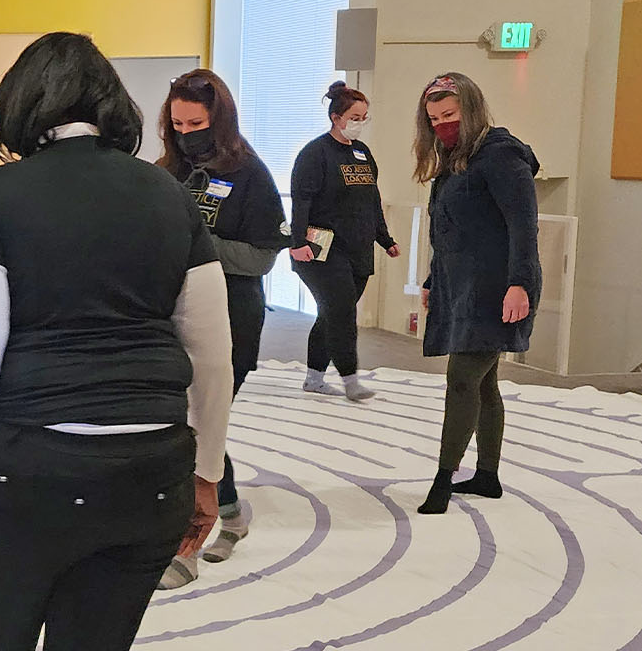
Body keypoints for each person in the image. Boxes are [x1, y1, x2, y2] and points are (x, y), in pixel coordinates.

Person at [0, 32, 233, 650]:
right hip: (151, 473)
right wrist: (207, 475)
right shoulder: (172, 197)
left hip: (23, 475)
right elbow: (213, 354)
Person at [155, 69, 287, 585]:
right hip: (171, 318)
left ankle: (189, 543)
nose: (187, 132)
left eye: (197, 122)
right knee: (189, 426)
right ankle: (231, 514)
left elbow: (261, 256)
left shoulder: (250, 173)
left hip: (232, 318)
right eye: (178, 122)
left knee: (200, 427)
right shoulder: (165, 170)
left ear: (220, 119)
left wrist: (196, 248)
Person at [411, 73, 539, 515]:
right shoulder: (455, 160)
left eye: (449, 116)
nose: (442, 125)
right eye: (434, 119)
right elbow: (446, 229)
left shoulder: (502, 158)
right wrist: (433, 279)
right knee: (485, 382)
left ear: (472, 110)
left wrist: (520, 283)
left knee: (462, 377)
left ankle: (442, 481)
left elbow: (524, 226)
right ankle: (487, 475)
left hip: (498, 288)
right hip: (461, 286)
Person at [288, 81, 401, 401]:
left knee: (331, 313)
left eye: (365, 117)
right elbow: (302, 201)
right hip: (321, 248)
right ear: (336, 117)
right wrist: (297, 243)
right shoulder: (314, 154)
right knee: (341, 312)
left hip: (358, 248)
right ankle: (351, 379)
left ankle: (313, 378)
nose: (361, 123)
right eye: (355, 117)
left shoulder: (363, 153)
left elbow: (371, 200)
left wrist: (384, 238)